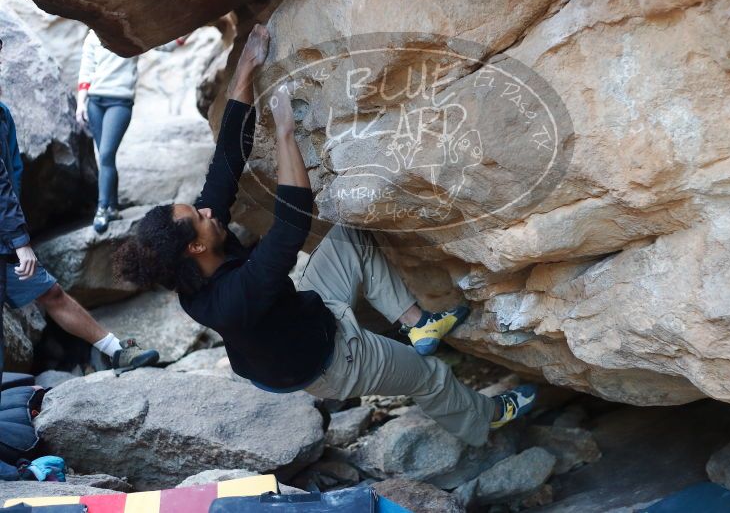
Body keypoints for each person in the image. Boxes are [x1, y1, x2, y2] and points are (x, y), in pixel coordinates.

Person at [113, 25, 537, 447]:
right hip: (328, 361)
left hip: (303, 316)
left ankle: (417, 324)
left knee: (351, 235)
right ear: (196, 246)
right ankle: (486, 418)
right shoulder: (230, 300)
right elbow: (290, 226)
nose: (207, 210)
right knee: (429, 376)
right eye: (200, 216)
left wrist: (244, 72)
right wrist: (284, 135)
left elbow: (226, 163)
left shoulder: (201, 253)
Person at [0, 37, 159, 377]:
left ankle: (116, 351)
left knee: (51, 293)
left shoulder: (3, 114)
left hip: (5, 237)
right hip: (9, 238)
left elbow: (12, 175)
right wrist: (20, 242)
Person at [76, 31, 188, 233]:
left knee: (107, 154)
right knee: (105, 157)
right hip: (95, 102)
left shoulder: (128, 35)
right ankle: (112, 206)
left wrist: (187, 30)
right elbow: (86, 69)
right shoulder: (92, 36)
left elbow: (163, 45)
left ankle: (101, 209)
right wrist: (80, 103)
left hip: (119, 102)